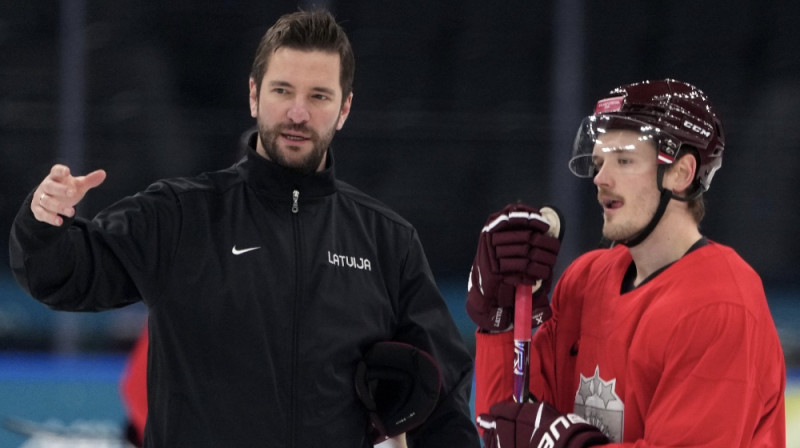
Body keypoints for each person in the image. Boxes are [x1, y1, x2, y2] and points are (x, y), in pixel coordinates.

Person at [9, 9, 479, 447]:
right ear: (254, 95)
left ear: (345, 109)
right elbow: (63, 274)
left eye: (318, 96)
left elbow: (443, 401)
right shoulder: (182, 216)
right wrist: (43, 222)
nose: (298, 113)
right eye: (282, 91)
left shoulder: (386, 241)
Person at [466, 79, 786, 447]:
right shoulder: (585, 281)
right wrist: (503, 322)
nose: (600, 178)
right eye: (599, 163)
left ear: (681, 173)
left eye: (624, 160)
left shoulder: (721, 304)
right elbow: (509, 429)